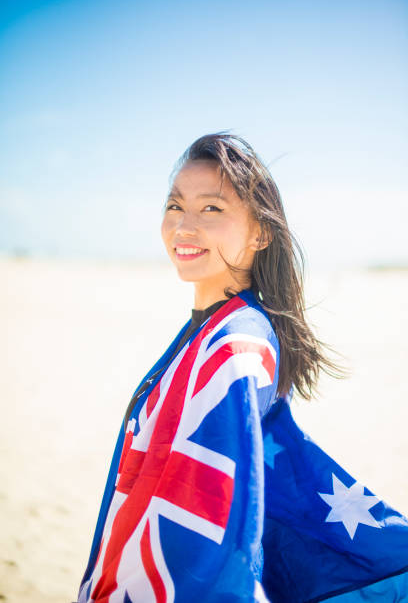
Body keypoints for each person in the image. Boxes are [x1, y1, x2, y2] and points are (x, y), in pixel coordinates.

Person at [77, 133, 408, 603]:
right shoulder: (214, 329)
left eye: (211, 209)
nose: (183, 227)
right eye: (175, 206)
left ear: (260, 232)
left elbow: (217, 527)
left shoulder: (235, 345)